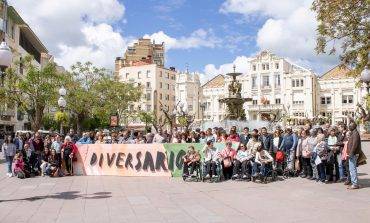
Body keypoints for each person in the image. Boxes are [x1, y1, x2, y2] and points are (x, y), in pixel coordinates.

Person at [346, 122, 363, 189]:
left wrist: (351, 153)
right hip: (352, 153)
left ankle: (354, 184)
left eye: (349, 126)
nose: (348, 127)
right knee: (352, 169)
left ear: (353, 126)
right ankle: (354, 183)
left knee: (352, 169)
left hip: (353, 154)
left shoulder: (355, 133)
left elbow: (355, 144)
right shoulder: (354, 133)